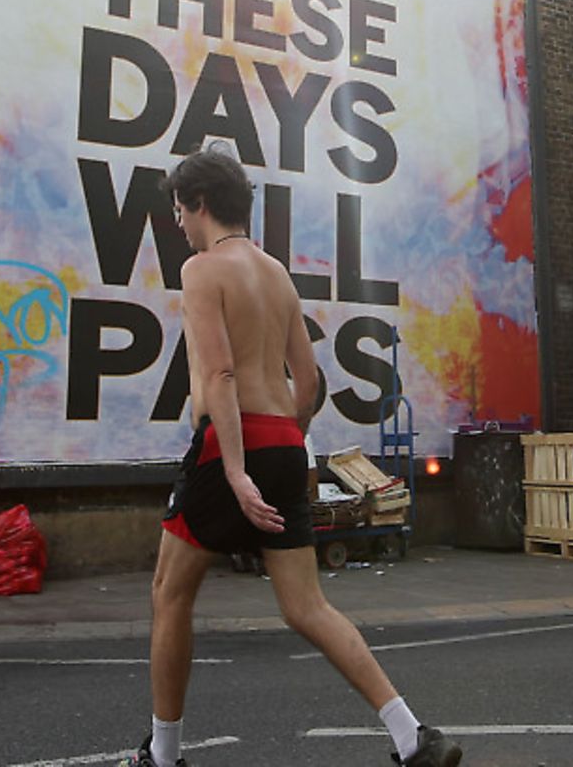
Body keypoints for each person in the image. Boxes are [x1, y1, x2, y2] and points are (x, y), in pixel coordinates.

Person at [121, 149, 461, 767]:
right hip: (282, 437)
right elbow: (308, 382)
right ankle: (413, 736)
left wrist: (233, 469)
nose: (178, 223)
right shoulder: (277, 274)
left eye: (178, 209)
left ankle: (163, 758)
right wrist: (287, 443)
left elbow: (220, 374)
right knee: (307, 606)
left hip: (232, 444)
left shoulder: (202, 270)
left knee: (169, 593)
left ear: (199, 203)